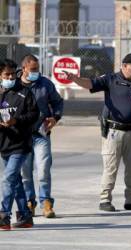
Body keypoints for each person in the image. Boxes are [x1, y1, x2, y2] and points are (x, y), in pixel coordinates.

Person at [65, 52, 131, 212]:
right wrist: (75, 78)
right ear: (124, 66)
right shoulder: (110, 79)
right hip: (113, 131)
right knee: (111, 167)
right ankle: (105, 199)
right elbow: (90, 84)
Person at [20, 54, 64, 218]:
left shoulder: (45, 84)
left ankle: (46, 202)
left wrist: (56, 117)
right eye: (32, 69)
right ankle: (29, 202)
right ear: (24, 68)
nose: (36, 72)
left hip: (41, 134)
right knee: (25, 173)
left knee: (44, 170)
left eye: (37, 69)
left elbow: (58, 102)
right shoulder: (15, 85)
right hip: (22, 136)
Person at [0, 59, 39, 230]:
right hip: (4, 145)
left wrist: (16, 121)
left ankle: (3, 215)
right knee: (15, 182)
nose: (10, 77)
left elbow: (34, 115)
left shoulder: (24, 93)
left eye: (12, 74)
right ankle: (25, 216)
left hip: (20, 144)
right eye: (6, 74)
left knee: (8, 178)